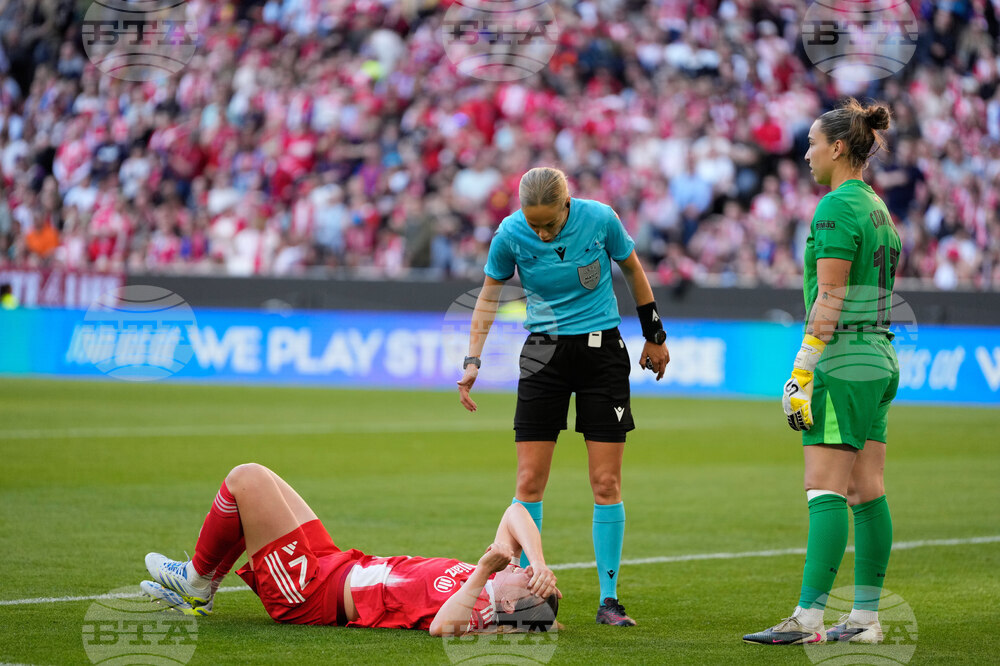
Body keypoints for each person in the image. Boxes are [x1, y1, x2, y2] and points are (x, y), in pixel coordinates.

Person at [457, 167, 670, 626]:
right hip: (543, 356)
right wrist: (472, 360)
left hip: (602, 355)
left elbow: (633, 270)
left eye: (549, 224)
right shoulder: (509, 233)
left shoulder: (601, 219)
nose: (540, 232)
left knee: (606, 483)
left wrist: (654, 335)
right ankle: (532, 594)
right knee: (529, 482)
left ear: (567, 203)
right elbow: (489, 297)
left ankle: (609, 601)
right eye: (533, 224)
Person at [743, 99, 900, 646]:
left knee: (824, 490)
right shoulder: (878, 208)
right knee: (868, 491)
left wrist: (802, 370)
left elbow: (830, 295)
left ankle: (808, 617)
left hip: (844, 357)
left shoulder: (834, 209)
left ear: (837, 147)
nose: (805, 154)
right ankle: (864, 618)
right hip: (879, 355)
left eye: (811, 143)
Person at [141, 463, 560, 636]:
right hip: (334, 561)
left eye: (527, 580)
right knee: (262, 480)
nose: (523, 571)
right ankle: (202, 582)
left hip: (311, 593)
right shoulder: (504, 586)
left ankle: (196, 580)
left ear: (513, 602)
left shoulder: (484, 609)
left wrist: (485, 572)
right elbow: (515, 511)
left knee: (246, 480)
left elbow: (440, 628)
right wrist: (539, 562)